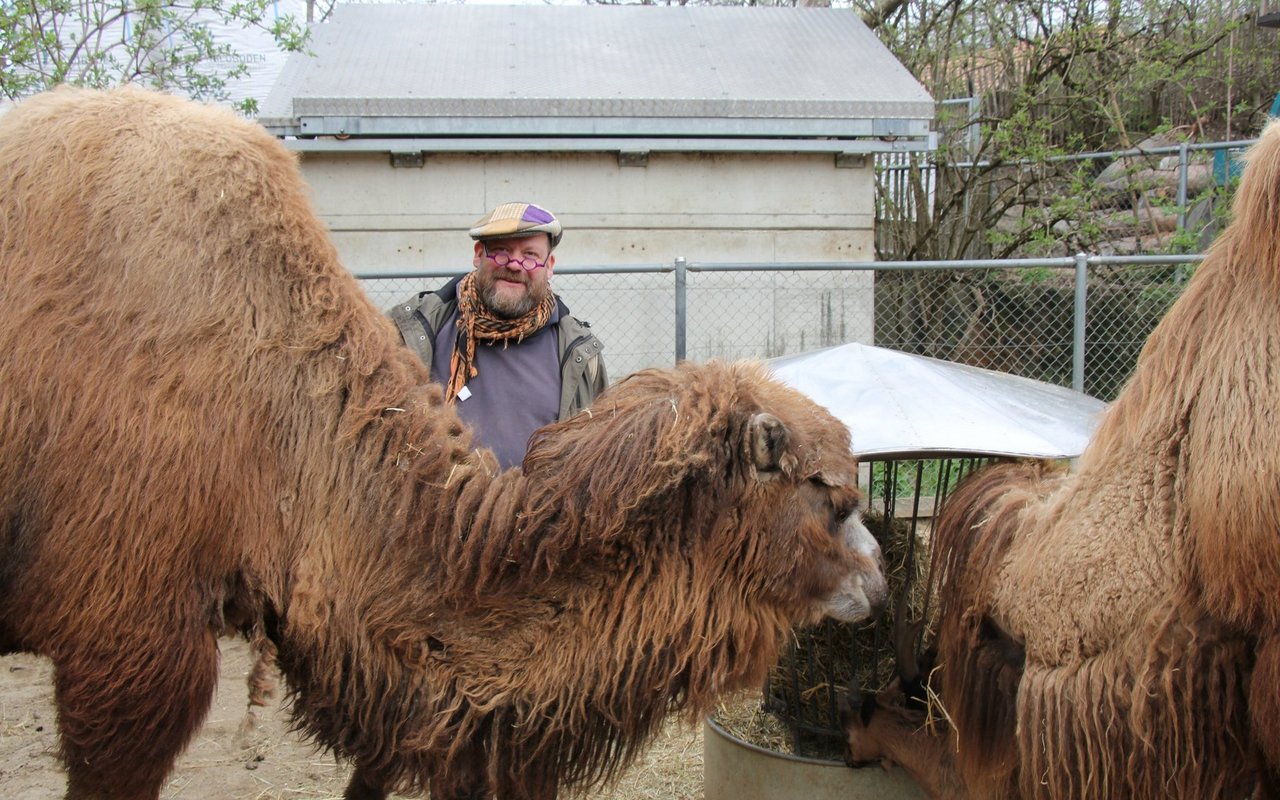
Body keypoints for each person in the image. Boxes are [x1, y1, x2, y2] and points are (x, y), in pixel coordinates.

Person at [389, 202, 607, 469]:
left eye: (530, 255)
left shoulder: (579, 354)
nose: (515, 265)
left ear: (549, 266)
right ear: (479, 254)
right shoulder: (416, 332)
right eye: (502, 252)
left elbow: (597, 459)